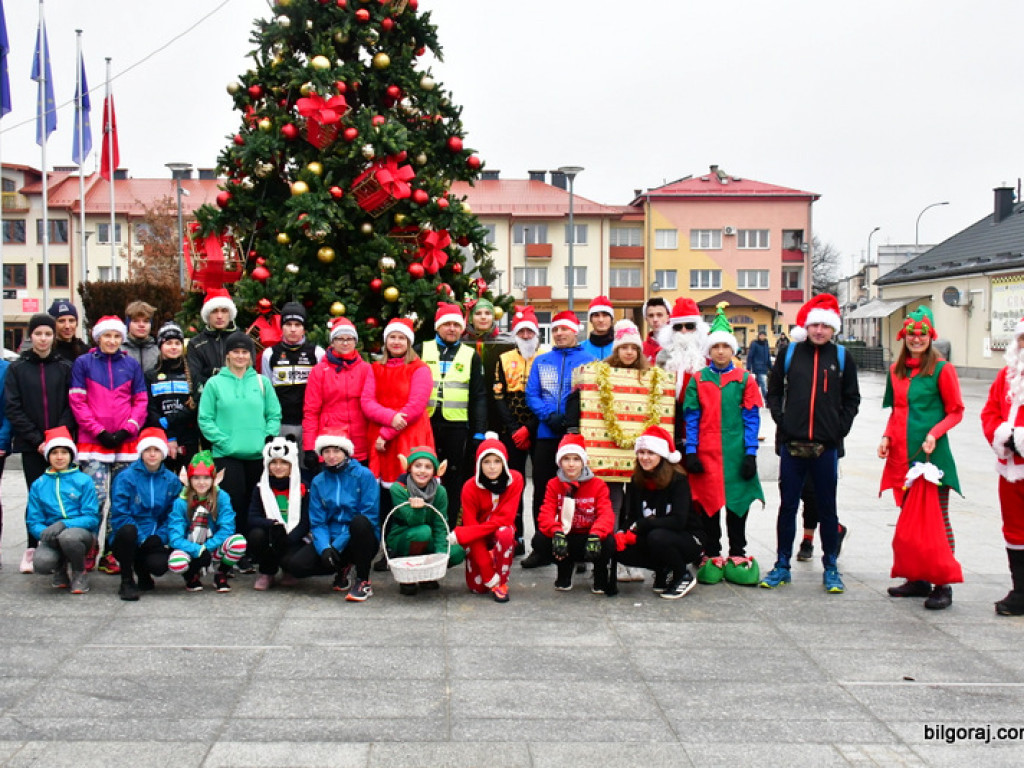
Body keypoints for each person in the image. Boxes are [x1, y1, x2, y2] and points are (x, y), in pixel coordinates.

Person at [761, 294, 861, 594]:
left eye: (825, 326)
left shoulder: (842, 357)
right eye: (814, 325)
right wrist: (783, 420)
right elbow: (774, 390)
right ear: (806, 326)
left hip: (825, 448)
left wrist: (838, 429)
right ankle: (782, 564)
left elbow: (851, 399)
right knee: (788, 506)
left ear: (833, 329)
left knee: (827, 507)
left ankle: (830, 565)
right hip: (792, 445)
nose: (819, 331)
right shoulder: (791, 354)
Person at [878, 307, 963, 610]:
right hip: (902, 455)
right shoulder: (896, 370)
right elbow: (897, 410)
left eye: (922, 334)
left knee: (936, 519)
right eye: (912, 334)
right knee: (909, 519)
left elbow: (956, 411)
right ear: (904, 336)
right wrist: (887, 437)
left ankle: (943, 583)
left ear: (930, 336)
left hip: (931, 457)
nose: (917, 339)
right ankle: (917, 578)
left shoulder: (942, 369)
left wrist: (935, 432)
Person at [684, 306, 764, 586]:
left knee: (737, 504)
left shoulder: (745, 380)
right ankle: (712, 552)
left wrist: (750, 452)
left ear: (733, 351)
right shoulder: (698, 379)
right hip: (706, 450)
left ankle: (738, 551)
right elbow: (692, 417)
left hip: (735, 451)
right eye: (715, 347)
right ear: (709, 350)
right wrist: (691, 450)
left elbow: (751, 417)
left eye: (725, 347)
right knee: (707, 505)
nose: (720, 352)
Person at [70, 315, 148, 575]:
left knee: (120, 500)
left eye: (116, 336)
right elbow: (78, 402)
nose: (112, 340)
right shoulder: (83, 363)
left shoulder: (131, 365)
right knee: (96, 499)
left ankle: (113, 551)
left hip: (125, 443)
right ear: (98, 337)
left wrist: (130, 428)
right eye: (107, 336)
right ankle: (89, 547)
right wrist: (99, 431)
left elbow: (140, 401)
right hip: (94, 443)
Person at [521, 311, 595, 567]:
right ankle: (541, 547)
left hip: (576, 436)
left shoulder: (590, 360)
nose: (560, 334)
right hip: (546, 435)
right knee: (542, 491)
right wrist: (549, 415)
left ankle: (578, 549)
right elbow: (531, 394)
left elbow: (594, 396)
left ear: (576, 331)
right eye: (556, 330)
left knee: (576, 491)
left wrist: (572, 420)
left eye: (565, 329)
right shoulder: (542, 361)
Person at [197, 331, 282, 554]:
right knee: (232, 505)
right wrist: (224, 442)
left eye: (245, 352)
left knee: (256, 505)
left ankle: (254, 550)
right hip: (227, 455)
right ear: (228, 355)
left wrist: (267, 439)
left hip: (258, 454)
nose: (241, 356)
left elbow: (274, 414)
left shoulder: (262, 382)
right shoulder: (214, 384)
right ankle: (234, 549)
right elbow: (205, 419)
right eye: (236, 351)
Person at [4, 314, 75, 573]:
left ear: (53, 337)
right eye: (38, 334)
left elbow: (72, 404)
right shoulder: (17, 369)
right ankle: (33, 548)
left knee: (64, 496)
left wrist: (57, 437)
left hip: (62, 444)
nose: (43, 339)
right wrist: (37, 440)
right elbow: (13, 407)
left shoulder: (64, 367)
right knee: (36, 496)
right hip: (31, 445)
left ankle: (64, 548)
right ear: (30, 337)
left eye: (47, 334)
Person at [611, 425, 704, 599]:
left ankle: (682, 574)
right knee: (618, 548)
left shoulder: (678, 480)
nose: (644, 458)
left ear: (661, 455)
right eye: (641, 452)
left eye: (650, 453)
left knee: (657, 536)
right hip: (654, 534)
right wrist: (622, 532)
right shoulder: (636, 479)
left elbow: (679, 521)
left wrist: (645, 524)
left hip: (687, 538)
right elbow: (632, 516)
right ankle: (663, 570)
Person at [287, 430, 380, 600]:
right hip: (331, 535)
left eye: (336, 451)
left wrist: (337, 546)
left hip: (360, 537)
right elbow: (317, 522)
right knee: (296, 566)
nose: (331, 456)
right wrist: (325, 548)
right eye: (327, 451)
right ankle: (341, 568)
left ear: (346, 453)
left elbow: (370, 515)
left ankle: (363, 580)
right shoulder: (318, 481)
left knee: (360, 522)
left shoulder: (364, 475)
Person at [417, 303, 487, 527]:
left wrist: (479, 432)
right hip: (425, 423)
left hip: (456, 426)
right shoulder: (421, 350)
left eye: (456, 325)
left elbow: (479, 396)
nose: (451, 329)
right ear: (438, 327)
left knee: (453, 478)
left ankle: (448, 527)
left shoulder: (470, 355)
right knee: (423, 472)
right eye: (446, 324)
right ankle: (423, 522)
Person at [491, 306, 547, 553]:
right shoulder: (503, 359)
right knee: (513, 484)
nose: (525, 335)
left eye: (530, 331)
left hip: (540, 429)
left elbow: (548, 397)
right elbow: (498, 397)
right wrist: (515, 429)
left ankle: (541, 538)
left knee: (543, 485)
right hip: (511, 430)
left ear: (537, 334)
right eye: (521, 331)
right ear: (515, 334)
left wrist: (529, 428)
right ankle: (516, 536)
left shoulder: (546, 357)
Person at [530, 434, 615, 593]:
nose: (571, 464)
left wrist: (597, 533)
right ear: (559, 462)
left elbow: (606, 514)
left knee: (609, 541)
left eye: (576, 459)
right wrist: (556, 531)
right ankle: (565, 568)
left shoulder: (598, 484)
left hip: (589, 536)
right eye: (566, 459)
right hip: (567, 535)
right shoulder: (554, 484)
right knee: (540, 540)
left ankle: (600, 572)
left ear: (583, 462)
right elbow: (545, 513)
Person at [980, 316, 1024, 616]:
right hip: (1010, 468)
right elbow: (990, 412)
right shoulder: (1006, 376)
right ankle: (1020, 590)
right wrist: (1002, 435)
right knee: (1014, 529)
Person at [448, 434, 523, 602]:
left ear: (504, 462)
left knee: (505, 533)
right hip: (478, 539)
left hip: (500, 533)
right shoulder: (470, 487)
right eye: (486, 462)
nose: (492, 467)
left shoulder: (515, 480)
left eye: (497, 461)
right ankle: (489, 562)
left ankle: (502, 583)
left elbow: (506, 518)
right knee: (478, 588)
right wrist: (488, 574)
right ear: (479, 464)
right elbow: (472, 529)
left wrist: (464, 533)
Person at [109, 428, 182, 600]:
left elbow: (174, 514)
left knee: (159, 566)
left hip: (155, 536)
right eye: (147, 450)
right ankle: (126, 580)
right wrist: (142, 538)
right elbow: (120, 513)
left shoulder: (171, 480)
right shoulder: (125, 477)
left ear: (163, 453)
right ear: (141, 451)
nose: (152, 454)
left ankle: (143, 571)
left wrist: (160, 537)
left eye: (156, 450)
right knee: (128, 531)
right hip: (130, 535)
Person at [26, 427, 100, 594]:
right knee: (42, 563)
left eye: (64, 453)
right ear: (48, 457)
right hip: (52, 535)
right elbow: (33, 519)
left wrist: (63, 524)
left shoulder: (83, 480)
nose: (59, 457)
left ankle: (79, 572)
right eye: (55, 453)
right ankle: (59, 570)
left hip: (79, 534)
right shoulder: (39, 484)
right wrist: (42, 533)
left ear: (71, 455)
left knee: (69, 537)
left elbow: (91, 517)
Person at [363, 317, 435, 485]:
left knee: (409, 484)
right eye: (392, 337)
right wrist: (390, 418)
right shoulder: (375, 368)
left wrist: (387, 433)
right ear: (386, 340)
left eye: (401, 338)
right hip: (381, 436)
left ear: (409, 342)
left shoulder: (420, 369)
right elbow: (367, 402)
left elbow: (416, 406)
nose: (396, 342)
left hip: (409, 434)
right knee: (384, 491)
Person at [387, 446, 466, 595]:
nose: (422, 471)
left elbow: (440, 524)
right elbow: (411, 521)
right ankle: (407, 575)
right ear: (409, 468)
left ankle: (427, 574)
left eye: (428, 467)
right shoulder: (398, 489)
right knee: (422, 531)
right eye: (418, 466)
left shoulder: (440, 491)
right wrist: (418, 509)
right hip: (404, 535)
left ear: (435, 471)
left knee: (456, 552)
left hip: (428, 536)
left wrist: (440, 558)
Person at [167, 451, 247, 592]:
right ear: (189, 479)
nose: (201, 482)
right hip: (190, 546)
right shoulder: (181, 502)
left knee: (238, 542)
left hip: (213, 545)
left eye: (206, 478)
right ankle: (191, 575)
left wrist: (207, 547)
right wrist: (198, 550)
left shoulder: (222, 497)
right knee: (176, 563)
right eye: (196, 478)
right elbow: (175, 537)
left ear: (214, 479)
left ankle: (221, 572)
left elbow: (227, 528)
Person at [303, 317, 371, 470]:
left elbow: (373, 407)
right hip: (331, 444)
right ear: (332, 342)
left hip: (360, 442)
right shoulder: (319, 371)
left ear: (355, 341)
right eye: (340, 338)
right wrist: (309, 447)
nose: (345, 343)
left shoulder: (366, 370)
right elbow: (311, 411)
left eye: (349, 339)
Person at [247, 435, 309, 591]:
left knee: (294, 559)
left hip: (295, 535)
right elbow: (253, 517)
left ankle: (288, 569)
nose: (278, 467)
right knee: (256, 535)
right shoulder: (261, 487)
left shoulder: (303, 487)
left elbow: (307, 519)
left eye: (283, 463)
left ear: (292, 464)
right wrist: (273, 525)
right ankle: (267, 572)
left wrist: (290, 537)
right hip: (271, 534)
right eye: (273, 463)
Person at [262, 301, 325, 447]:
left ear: (304, 328)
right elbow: (267, 391)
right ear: (281, 327)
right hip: (281, 423)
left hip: (309, 423)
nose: (292, 329)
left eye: (297, 325)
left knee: (308, 467)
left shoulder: (317, 353)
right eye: (288, 324)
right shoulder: (270, 354)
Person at [145, 322, 200, 474]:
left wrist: (171, 420)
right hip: (161, 435)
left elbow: (195, 405)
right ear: (160, 346)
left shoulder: (191, 374)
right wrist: (168, 434)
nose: (174, 347)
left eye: (177, 343)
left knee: (188, 483)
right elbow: (150, 407)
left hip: (188, 436)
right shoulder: (151, 375)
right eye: (169, 343)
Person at [186, 288, 239, 399]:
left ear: (230, 313)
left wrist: (210, 372)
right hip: (208, 402)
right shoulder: (196, 344)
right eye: (214, 311)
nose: (219, 316)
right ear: (207, 314)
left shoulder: (242, 340)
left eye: (224, 311)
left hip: (237, 402)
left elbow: (248, 375)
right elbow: (196, 379)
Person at [122, 300, 160, 374]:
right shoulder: (119, 350)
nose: (141, 325)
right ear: (128, 323)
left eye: (146, 321)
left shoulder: (158, 351)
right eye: (136, 321)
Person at [580, 295, 615, 360]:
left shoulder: (620, 348)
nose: (601, 320)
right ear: (591, 320)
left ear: (611, 319)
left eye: (605, 315)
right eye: (596, 315)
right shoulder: (580, 349)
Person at [642, 297, 670, 365]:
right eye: (651, 316)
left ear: (668, 317)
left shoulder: (676, 345)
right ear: (646, 319)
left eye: (659, 315)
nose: (655, 319)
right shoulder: (641, 348)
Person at [746, 330, 772, 402]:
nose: (762, 337)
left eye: (764, 335)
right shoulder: (754, 344)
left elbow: (768, 356)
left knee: (755, 385)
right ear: (758, 336)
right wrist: (748, 367)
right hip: (757, 367)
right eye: (761, 335)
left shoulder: (766, 344)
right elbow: (750, 356)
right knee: (763, 384)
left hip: (764, 368)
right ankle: (767, 401)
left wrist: (771, 367)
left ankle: (751, 398)